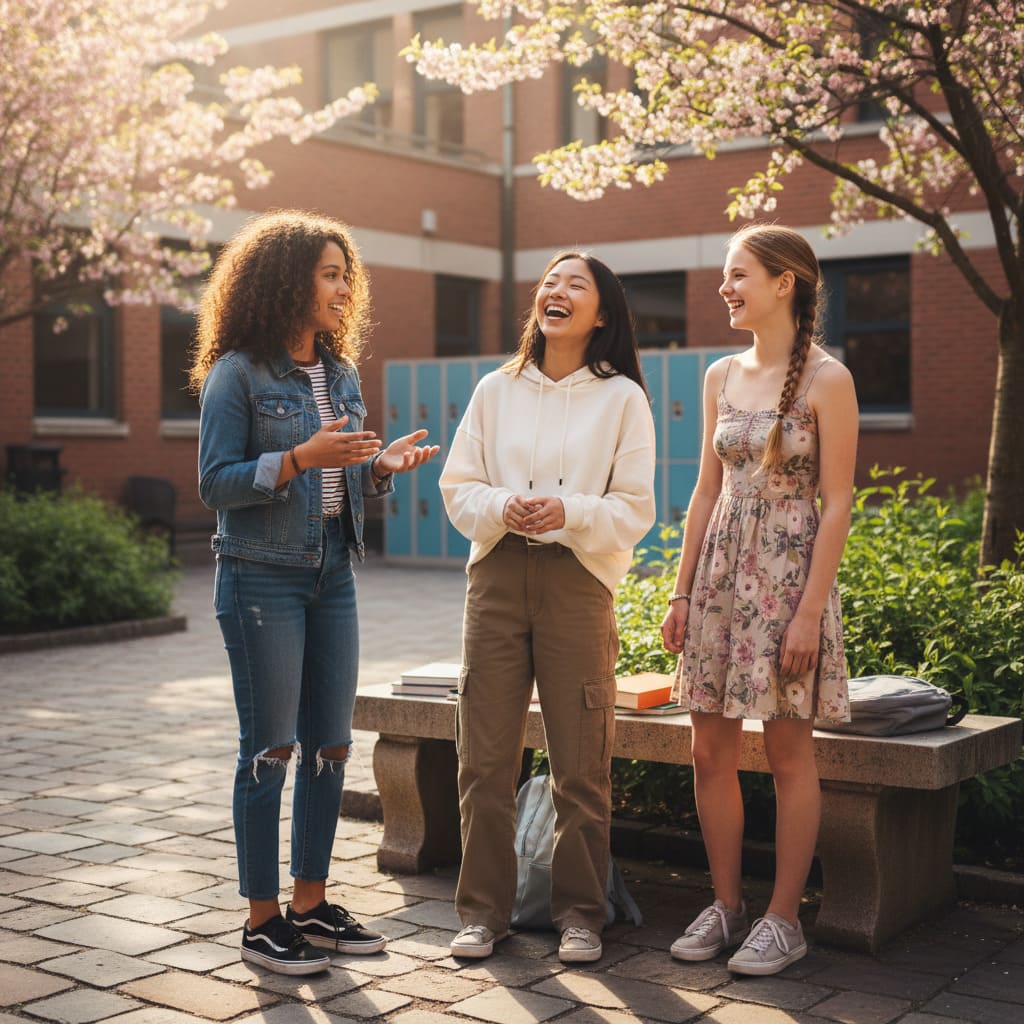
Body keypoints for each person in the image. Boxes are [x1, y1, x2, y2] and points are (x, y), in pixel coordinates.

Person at [191, 210, 439, 976]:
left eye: (345, 275)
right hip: (260, 575)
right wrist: (300, 456)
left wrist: (378, 469)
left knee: (331, 746)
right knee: (270, 750)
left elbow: (341, 477)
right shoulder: (238, 373)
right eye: (329, 275)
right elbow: (215, 484)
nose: (342, 288)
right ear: (285, 281)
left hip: (333, 573)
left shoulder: (341, 374)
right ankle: (262, 920)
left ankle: (310, 903)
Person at [439, 251, 656, 964]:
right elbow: (458, 488)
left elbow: (635, 509)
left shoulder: (623, 398)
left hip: (578, 580)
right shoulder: (495, 390)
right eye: (550, 282)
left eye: (575, 285)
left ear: (601, 313)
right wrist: (505, 505)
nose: (556, 291)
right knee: (484, 760)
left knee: (581, 763)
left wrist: (568, 511)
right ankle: (482, 913)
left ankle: (581, 915)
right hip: (497, 577)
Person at [660, 223, 858, 977]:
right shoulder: (719, 375)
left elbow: (837, 505)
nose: (725, 287)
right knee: (708, 748)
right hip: (717, 579)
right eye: (725, 274)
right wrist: (681, 592)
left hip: (787, 581)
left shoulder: (828, 380)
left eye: (738, 274)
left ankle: (783, 919)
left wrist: (809, 612)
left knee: (786, 752)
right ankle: (726, 906)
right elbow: (704, 492)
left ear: (785, 283)